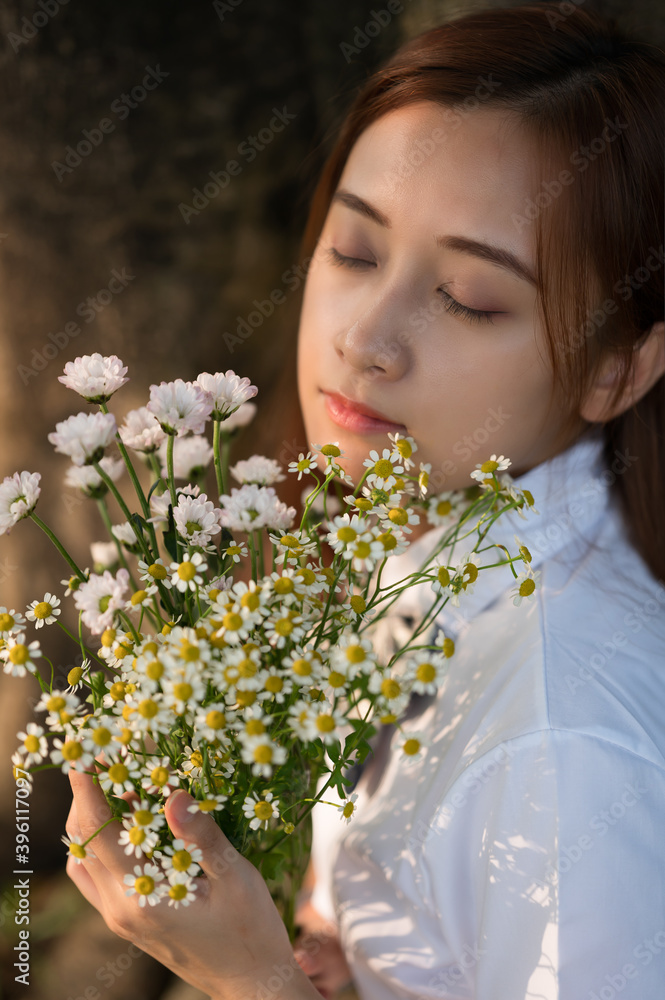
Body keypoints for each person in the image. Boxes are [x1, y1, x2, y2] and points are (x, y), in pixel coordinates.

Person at [66, 3, 665, 998]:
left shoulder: (566, 742)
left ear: (612, 370)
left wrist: (253, 980)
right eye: (353, 250)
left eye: (470, 298)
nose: (366, 339)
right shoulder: (406, 553)